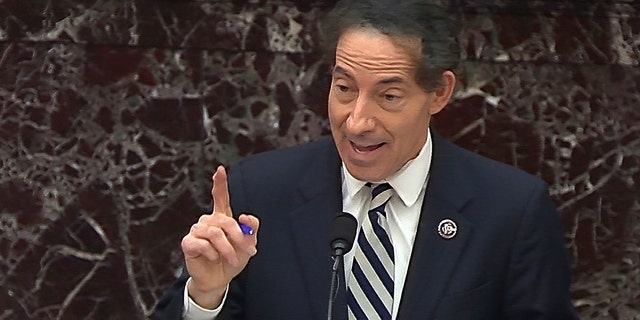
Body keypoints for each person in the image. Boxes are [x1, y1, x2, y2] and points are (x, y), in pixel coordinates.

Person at [154, 0, 579, 319]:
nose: (357, 122)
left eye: (389, 96)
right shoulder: (260, 193)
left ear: (439, 93)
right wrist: (206, 295)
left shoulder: (510, 211)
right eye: (344, 88)